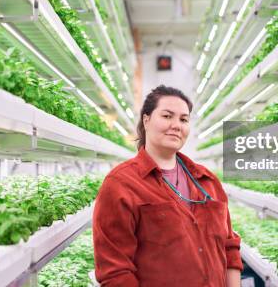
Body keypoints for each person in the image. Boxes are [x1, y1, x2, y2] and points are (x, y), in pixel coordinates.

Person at [93, 85, 243, 287]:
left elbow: (229, 246)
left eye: (183, 119)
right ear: (146, 120)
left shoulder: (207, 181)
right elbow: (115, 272)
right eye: (167, 116)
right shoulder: (121, 184)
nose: (176, 125)